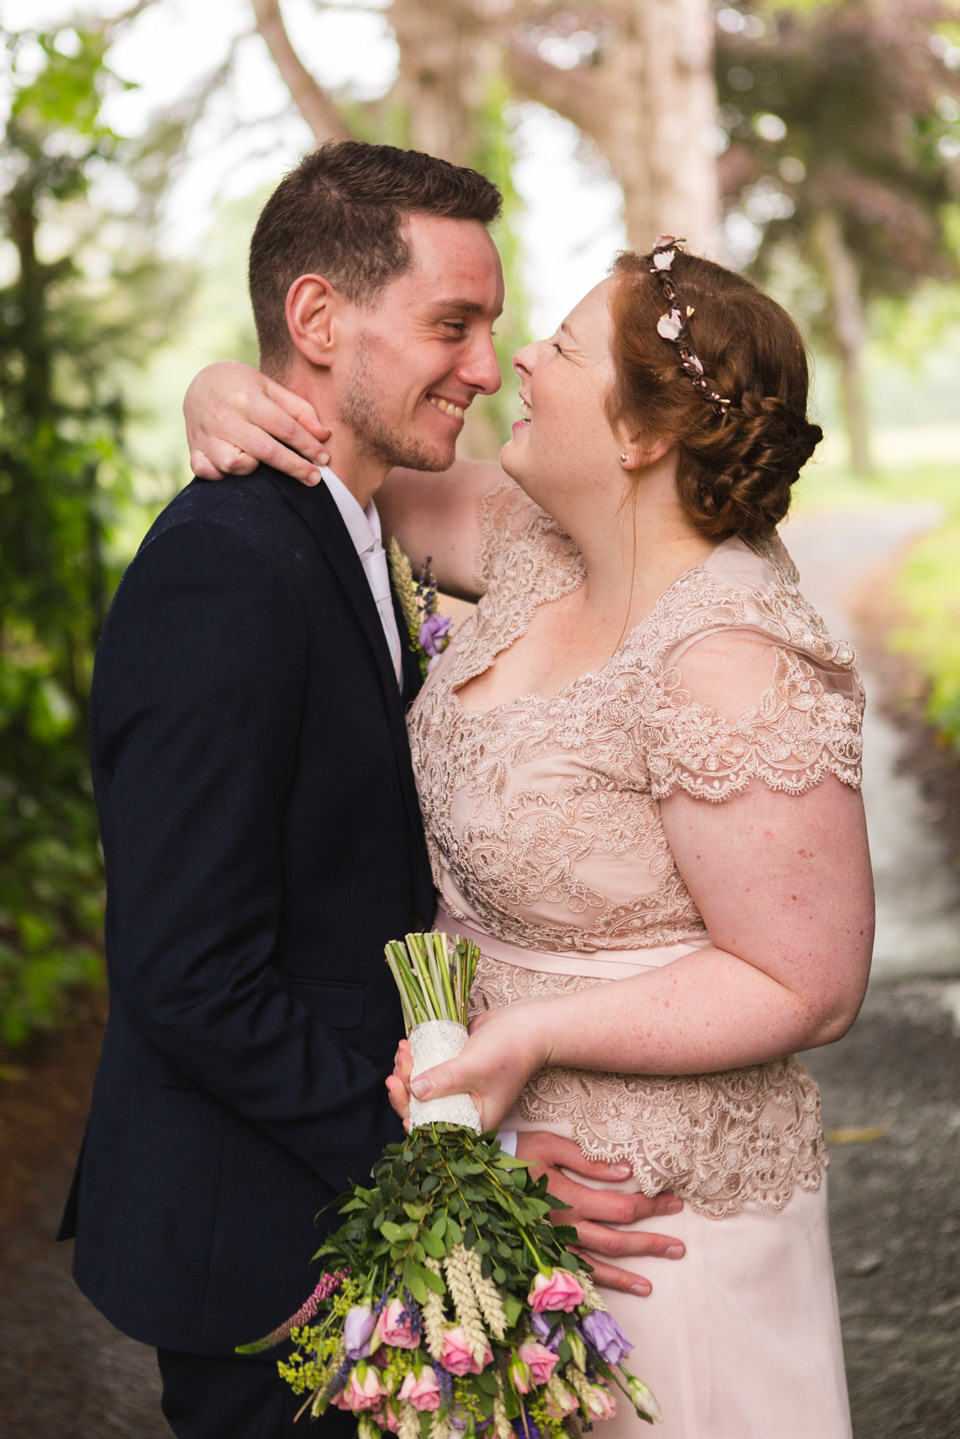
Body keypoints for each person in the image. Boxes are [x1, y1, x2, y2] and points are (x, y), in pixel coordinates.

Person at [184, 237, 874, 1438]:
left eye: (555, 347)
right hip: (505, 1170)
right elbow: (343, 457)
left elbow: (806, 980)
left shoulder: (730, 656)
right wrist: (221, 387)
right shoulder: (528, 542)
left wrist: (534, 1031)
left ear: (640, 435)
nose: (514, 368)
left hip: (662, 1214)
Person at [58, 142, 684, 1439]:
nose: (480, 362)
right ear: (317, 318)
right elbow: (186, 973)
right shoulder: (225, 571)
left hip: (345, 1213)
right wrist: (438, 1167)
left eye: (494, 329)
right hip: (285, 1244)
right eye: (450, 324)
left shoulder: (357, 522)